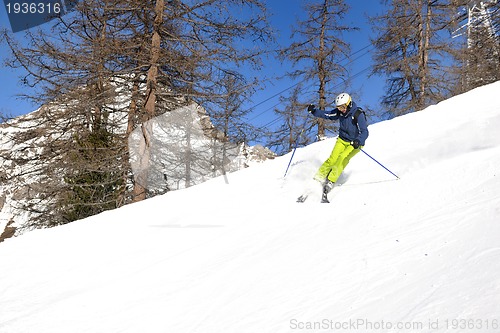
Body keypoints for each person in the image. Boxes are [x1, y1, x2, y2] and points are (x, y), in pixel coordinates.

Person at [307, 93, 369, 203]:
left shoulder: (358, 114)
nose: (341, 110)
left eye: (343, 107)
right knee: (332, 158)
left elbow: (364, 132)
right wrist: (314, 111)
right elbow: (327, 114)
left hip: (355, 143)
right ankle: (319, 177)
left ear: (349, 104)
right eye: (339, 108)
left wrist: (358, 141)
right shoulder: (340, 113)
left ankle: (331, 180)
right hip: (342, 140)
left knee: (342, 158)